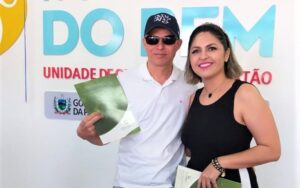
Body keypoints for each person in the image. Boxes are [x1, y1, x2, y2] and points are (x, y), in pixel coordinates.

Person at [77, 12, 196, 188]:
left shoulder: (190, 84)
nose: (160, 46)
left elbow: (192, 139)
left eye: (168, 39)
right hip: (127, 183)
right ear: (144, 42)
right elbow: (106, 138)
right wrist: (84, 135)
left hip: (172, 184)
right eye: (153, 39)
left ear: (178, 44)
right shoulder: (122, 82)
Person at [181, 23, 281, 188]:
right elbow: (194, 148)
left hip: (234, 183)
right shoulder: (193, 98)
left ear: (226, 54)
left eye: (211, 48)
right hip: (194, 183)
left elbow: (272, 149)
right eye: (195, 51)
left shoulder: (244, 93)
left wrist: (218, 163)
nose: (203, 56)